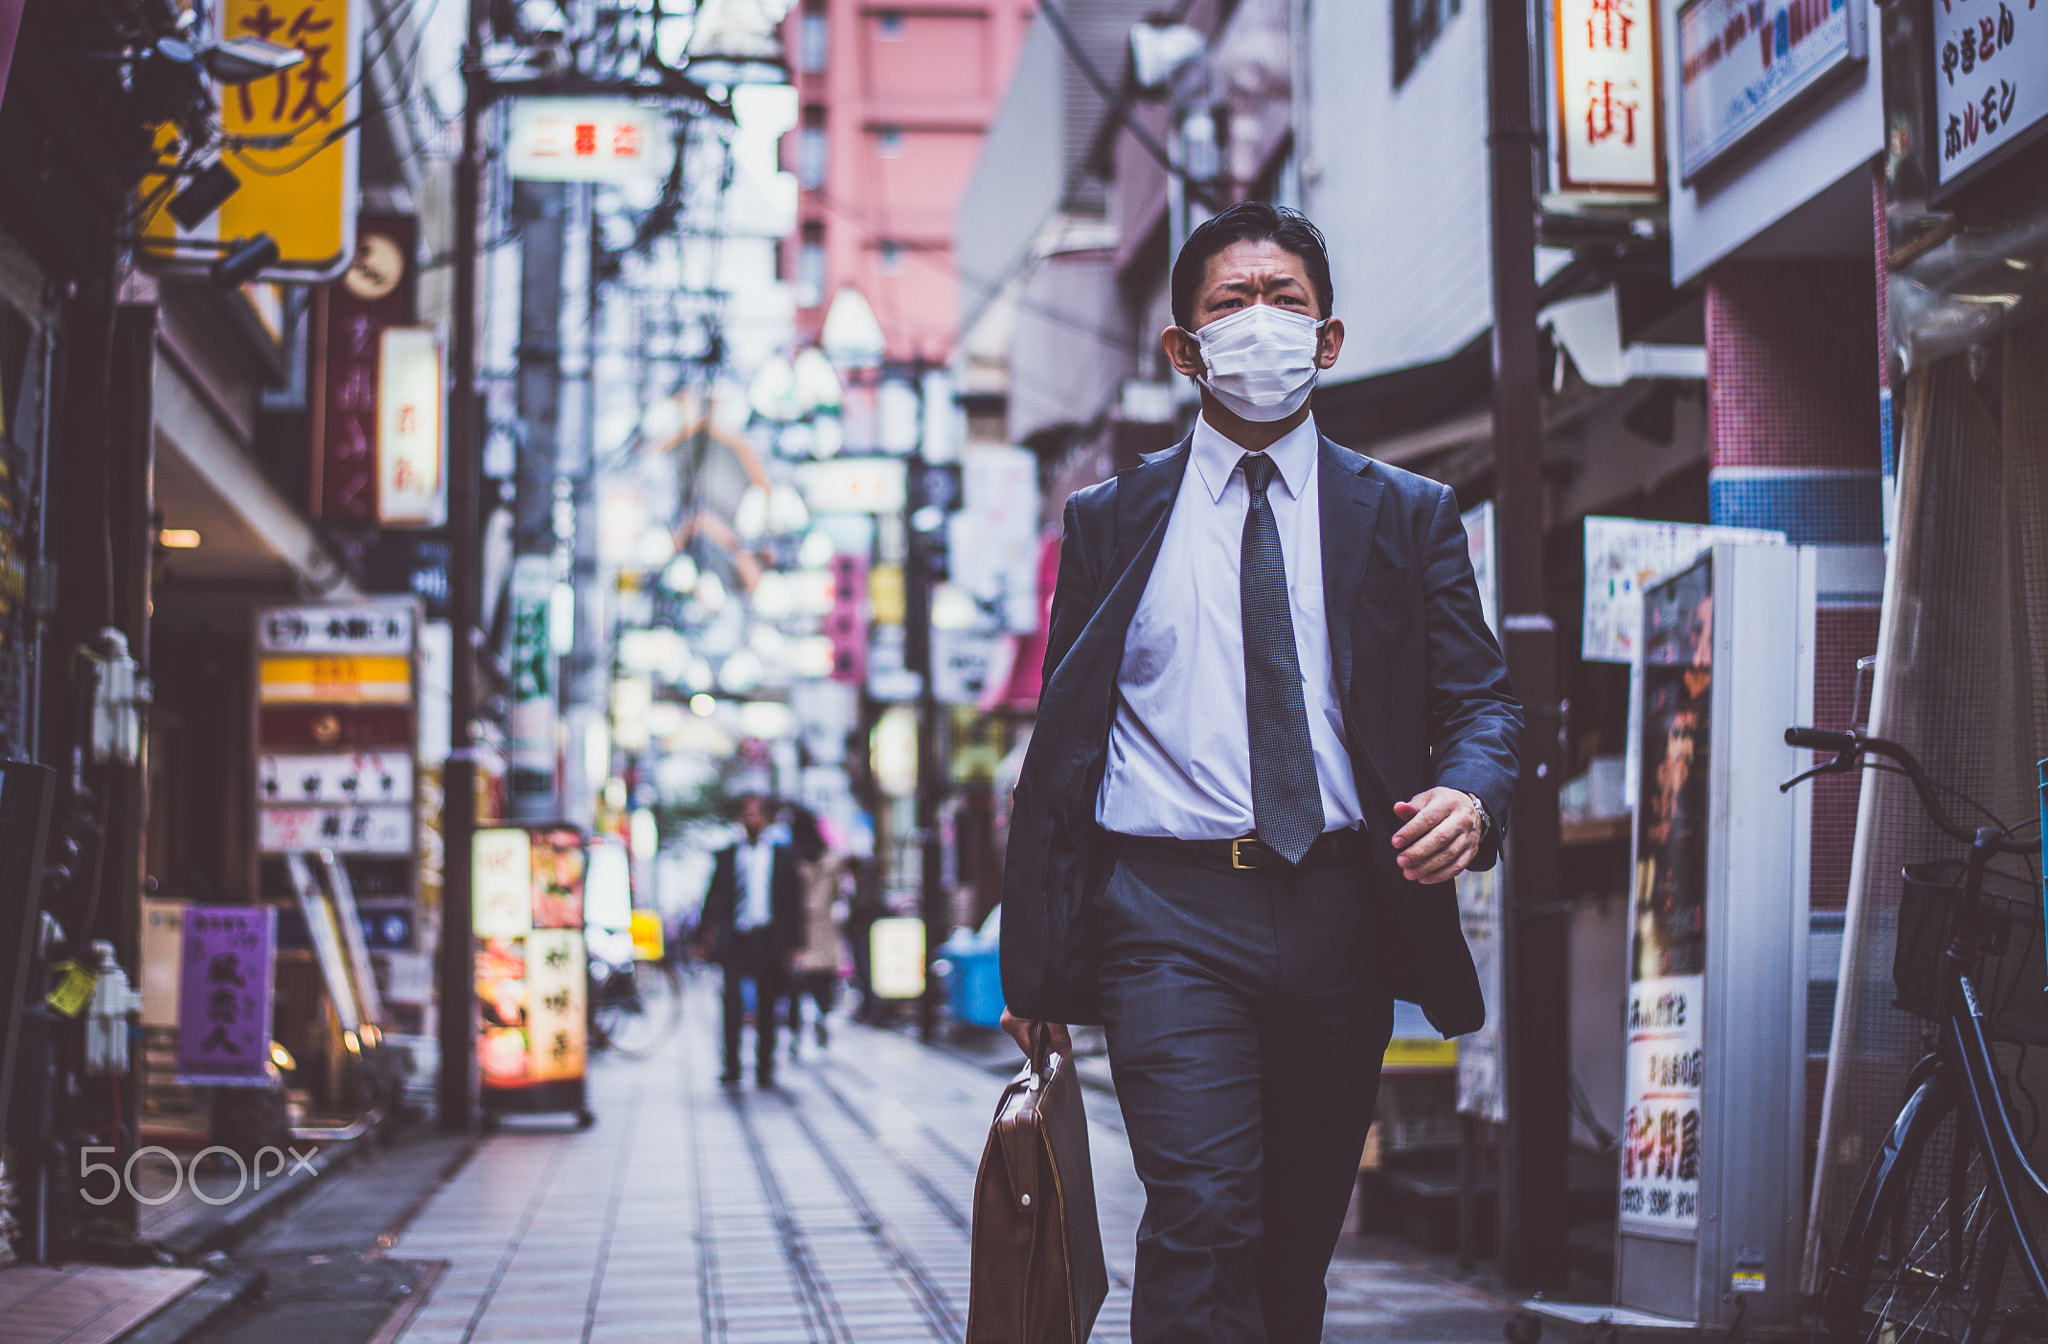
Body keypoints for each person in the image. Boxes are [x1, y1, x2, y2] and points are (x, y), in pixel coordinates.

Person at [999, 201, 1522, 1344]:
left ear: (1328, 339)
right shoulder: (1108, 520)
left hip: (1343, 903)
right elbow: (1065, 741)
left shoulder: (1409, 515)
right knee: (1198, 1210)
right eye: (1229, 304)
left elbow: (1480, 701)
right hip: (1165, 914)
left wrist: (1470, 795)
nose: (1260, 324)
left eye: (1284, 301)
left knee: (1293, 1237)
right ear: (1181, 349)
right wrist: (1033, 963)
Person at [699, 792, 805, 1086]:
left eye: (757, 814)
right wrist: (703, 934)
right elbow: (713, 898)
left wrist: (796, 945)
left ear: (768, 819)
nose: (752, 819)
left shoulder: (784, 857)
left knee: (769, 1004)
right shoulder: (729, 855)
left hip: (769, 939)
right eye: (747, 814)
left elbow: (793, 904)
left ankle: (765, 1065)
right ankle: (732, 1065)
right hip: (737, 939)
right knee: (731, 1004)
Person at [782, 806, 843, 1057]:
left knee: (796, 983)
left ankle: (795, 1033)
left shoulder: (790, 857)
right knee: (823, 981)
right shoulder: (831, 857)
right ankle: (822, 1015)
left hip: (798, 925)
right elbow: (838, 892)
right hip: (824, 928)